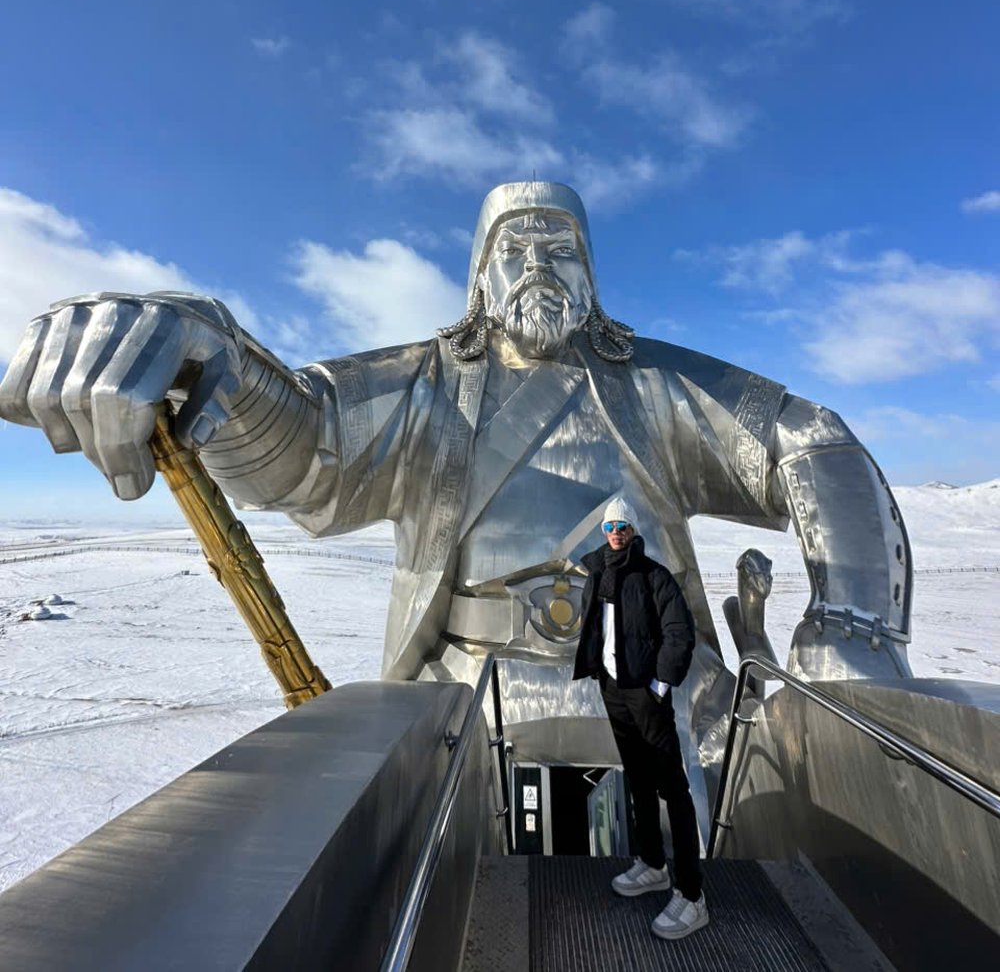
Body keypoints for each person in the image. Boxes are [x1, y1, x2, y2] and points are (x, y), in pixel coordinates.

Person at [0, 181, 914, 775]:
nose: (539, 265)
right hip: (466, 704)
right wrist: (215, 353)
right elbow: (307, 446)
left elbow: (812, 441)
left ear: (592, 276)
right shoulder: (428, 387)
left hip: (676, 705)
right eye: (515, 247)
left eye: (562, 248)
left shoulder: (658, 387)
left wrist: (855, 620)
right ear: (479, 278)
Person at [573, 496, 708, 941]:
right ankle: (653, 864)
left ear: (634, 531)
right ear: (603, 530)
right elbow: (596, 624)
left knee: (673, 786)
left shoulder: (655, 577)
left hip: (646, 694)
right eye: (611, 525)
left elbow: (678, 633)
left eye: (623, 526)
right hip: (613, 690)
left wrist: (660, 685)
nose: (617, 532)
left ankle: (692, 895)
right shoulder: (597, 571)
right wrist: (597, 669)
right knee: (637, 779)